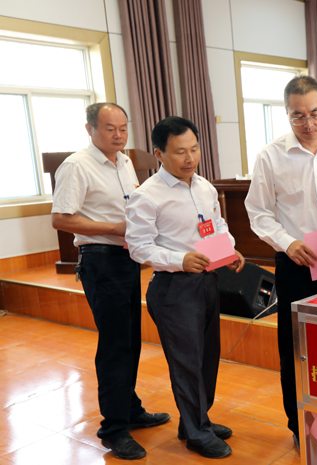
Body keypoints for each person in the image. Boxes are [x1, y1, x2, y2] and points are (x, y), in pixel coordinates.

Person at [51, 103, 170, 461]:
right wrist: (114, 229)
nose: (118, 135)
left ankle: (130, 409)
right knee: (115, 345)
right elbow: (61, 219)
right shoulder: (77, 165)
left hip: (127, 258)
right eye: (109, 128)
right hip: (101, 261)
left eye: (123, 128)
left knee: (130, 340)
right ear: (90, 129)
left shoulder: (124, 162)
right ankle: (114, 429)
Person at [126, 116, 245, 459]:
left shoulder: (204, 186)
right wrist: (180, 260)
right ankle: (196, 432)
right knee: (187, 362)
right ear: (159, 154)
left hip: (207, 281)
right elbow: (138, 247)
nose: (189, 158)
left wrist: (228, 248)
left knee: (207, 357)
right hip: (173, 288)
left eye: (194, 149)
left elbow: (217, 224)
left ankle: (195, 421)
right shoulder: (146, 195)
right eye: (180, 151)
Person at [244, 75, 317, 449]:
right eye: (298, 116)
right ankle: (299, 425)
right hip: (296, 260)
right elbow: (258, 212)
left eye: (315, 114)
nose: (308, 124)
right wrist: (288, 243)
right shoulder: (271, 156)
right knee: (296, 347)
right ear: (287, 113)